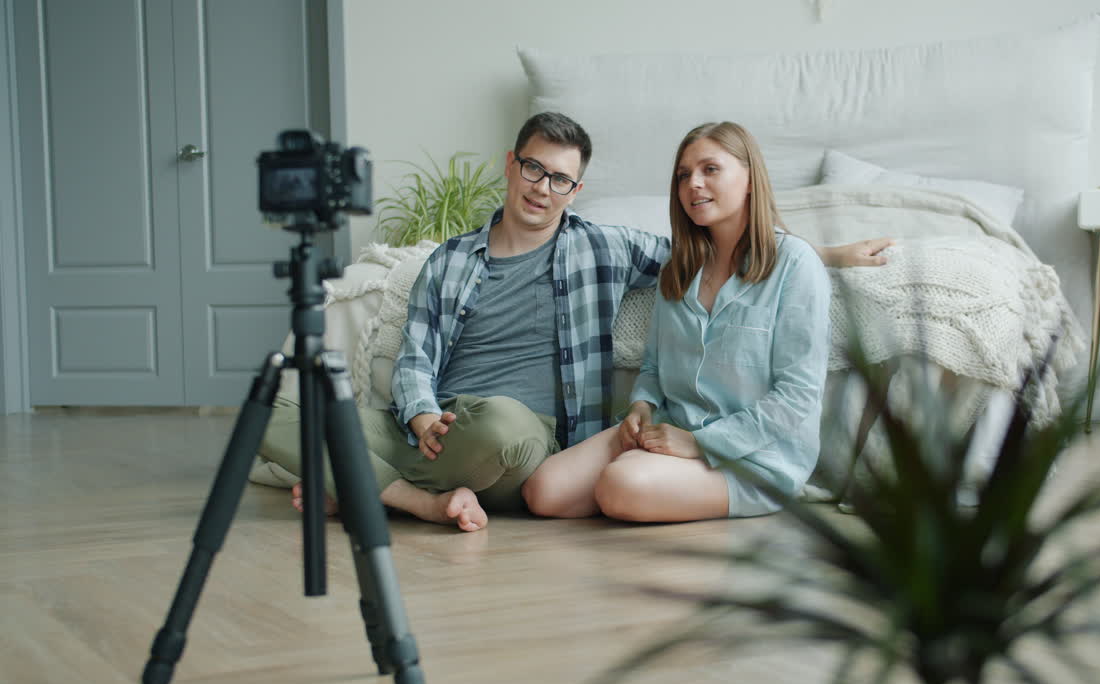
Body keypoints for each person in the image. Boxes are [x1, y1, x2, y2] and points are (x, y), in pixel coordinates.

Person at [258, 112, 891, 531]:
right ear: (512, 164)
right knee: (280, 407)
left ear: (576, 190)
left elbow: (742, 256)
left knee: (503, 423)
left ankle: (355, 481)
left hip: (511, 432)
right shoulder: (448, 260)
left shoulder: (603, 247)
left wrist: (824, 255)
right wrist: (421, 413)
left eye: (561, 178)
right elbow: (417, 356)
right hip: (439, 429)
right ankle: (412, 498)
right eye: (534, 168)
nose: (542, 187)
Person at [520, 121, 830, 521]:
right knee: (543, 492)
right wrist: (642, 406)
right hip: (668, 429)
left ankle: (656, 487)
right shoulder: (679, 267)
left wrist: (701, 444)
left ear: (751, 178)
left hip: (755, 459)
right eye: (684, 175)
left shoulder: (796, 264)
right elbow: (653, 364)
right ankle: (655, 486)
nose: (693, 184)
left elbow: (797, 395)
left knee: (622, 483)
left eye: (710, 169)